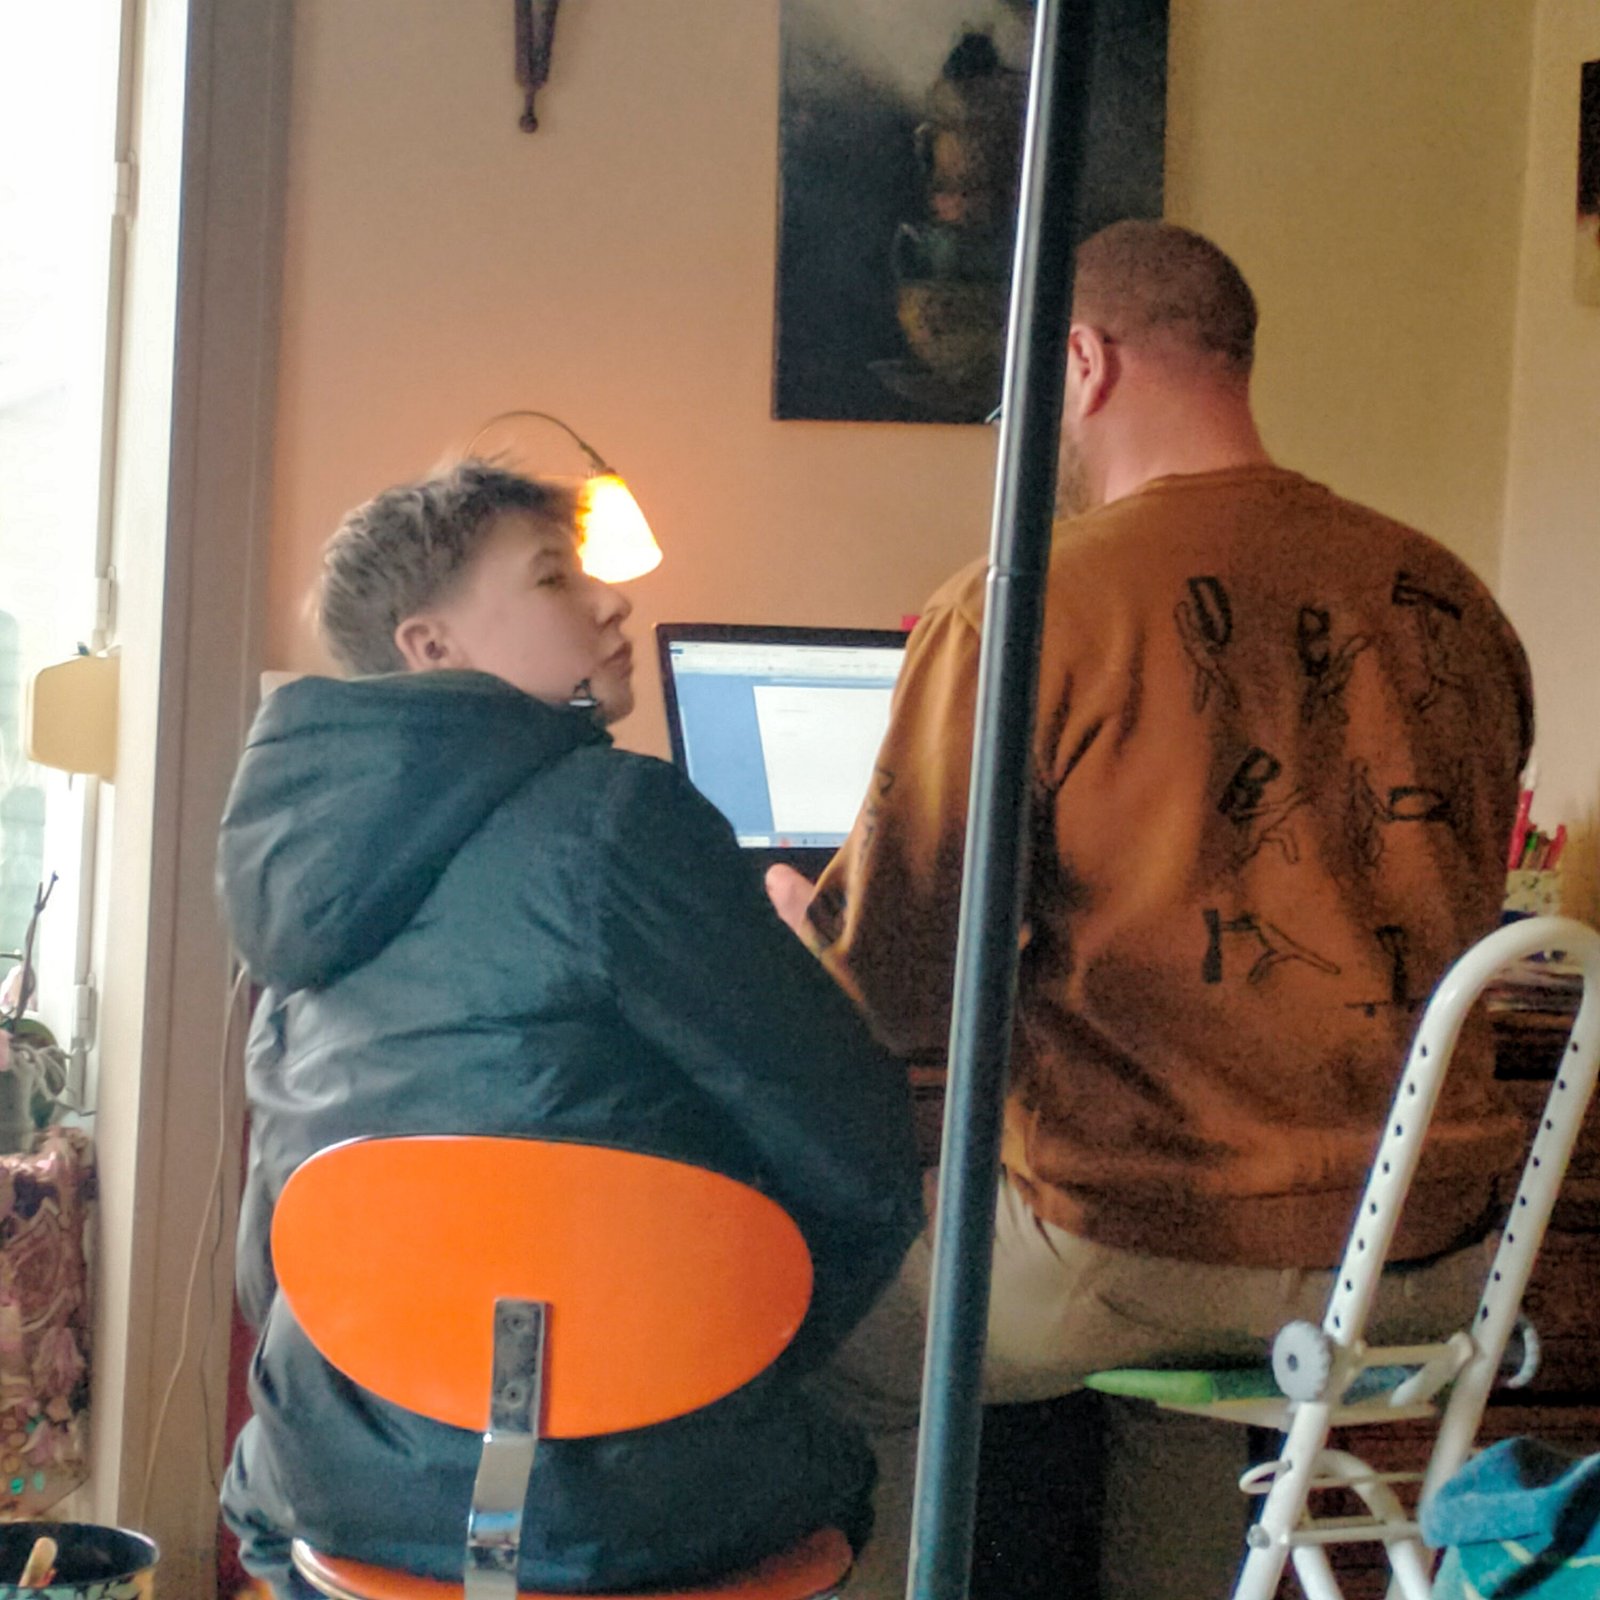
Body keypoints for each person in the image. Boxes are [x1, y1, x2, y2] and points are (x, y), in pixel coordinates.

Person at [768, 220, 1535, 1595]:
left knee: (792, 1327)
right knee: (1175, 1399)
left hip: (1135, 1251)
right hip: (1424, 1258)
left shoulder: (1026, 602)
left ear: (1082, 361)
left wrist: (793, 925)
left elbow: (895, 991)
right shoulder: (1452, 601)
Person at [217, 462, 924, 1598]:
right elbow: (861, 1149)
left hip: (339, 1480)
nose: (612, 601)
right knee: (871, 1428)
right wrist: (739, 1347)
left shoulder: (298, 870)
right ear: (431, 645)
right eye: (556, 578)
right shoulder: (620, 818)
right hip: (631, 1502)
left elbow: (272, 1263)